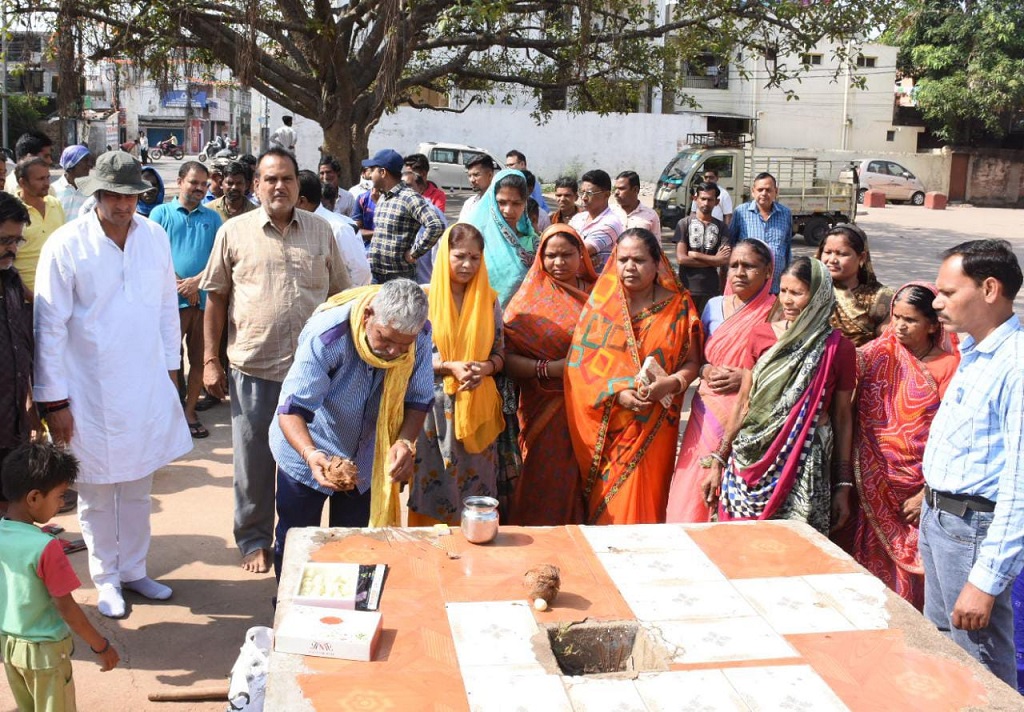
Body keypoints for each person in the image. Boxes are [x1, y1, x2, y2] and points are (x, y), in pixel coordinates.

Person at [34, 150, 192, 618]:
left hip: (144, 385)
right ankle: (105, 579)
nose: (124, 205)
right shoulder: (67, 244)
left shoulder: (155, 237)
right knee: (97, 489)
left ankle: (135, 570)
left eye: (131, 196)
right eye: (114, 195)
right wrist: (53, 401)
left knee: (139, 486)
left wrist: (170, 373)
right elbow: (49, 328)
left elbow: (167, 307)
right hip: (88, 391)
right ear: (97, 193)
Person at [199, 148, 351, 575]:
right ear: (256, 185)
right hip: (255, 368)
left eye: (286, 178)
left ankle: (301, 538)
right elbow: (216, 299)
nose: (279, 186)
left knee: (312, 457)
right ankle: (253, 539)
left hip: (316, 375)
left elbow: (341, 298)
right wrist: (210, 359)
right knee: (254, 462)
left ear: (298, 185)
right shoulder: (233, 233)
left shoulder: (322, 232)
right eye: (270, 179)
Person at [269, 280, 434, 576]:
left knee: (355, 544)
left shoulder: (419, 334)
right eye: (385, 339)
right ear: (368, 315)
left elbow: (419, 398)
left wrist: (405, 442)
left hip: (367, 456)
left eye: (403, 345)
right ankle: (287, 609)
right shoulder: (329, 336)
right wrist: (311, 454)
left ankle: (348, 614)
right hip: (309, 449)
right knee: (296, 542)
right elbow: (292, 409)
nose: (393, 352)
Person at [920, 239, 1023, 687]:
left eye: (947, 292)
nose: (936, 301)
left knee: (980, 668)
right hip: (940, 520)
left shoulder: (1015, 364)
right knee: (942, 651)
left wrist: (986, 579)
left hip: (974, 531)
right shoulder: (973, 351)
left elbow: (1019, 484)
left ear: (989, 289)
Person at [702, 257, 855, 535]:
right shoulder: (760, 335)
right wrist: (719, 459)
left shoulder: (837, 348)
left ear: (819, 294)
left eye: (797, 292)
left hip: (805, 460)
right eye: (783, 291)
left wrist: (843, 483)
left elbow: (843, 417)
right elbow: (744, 402)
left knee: (795, 545)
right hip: (751, 456)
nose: (787, 300)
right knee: (741, 541)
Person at [566, 228, 702, 525]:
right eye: (622, 259)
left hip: (656, 426)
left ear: (658, 264)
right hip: (612, 425)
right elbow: (580, 368)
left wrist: (673, 383)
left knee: (649, 499)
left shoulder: (678, 306)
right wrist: (619, 393)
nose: (629, 267)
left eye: (638, 260)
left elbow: (693, 361)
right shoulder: (601, 309)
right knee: (610, 508)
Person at [851, 283, 959, 610]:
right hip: (872, 481)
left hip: (914, 489)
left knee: (914, 584)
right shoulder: (876, 354)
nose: (899, 326)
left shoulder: (950, 367)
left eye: (910, 320)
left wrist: (926, 492)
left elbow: (955, 436)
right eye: (896, 317)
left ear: (933, 324)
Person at [0, 443, 121, 712]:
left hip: (10, 649)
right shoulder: (45, 547)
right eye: (60, 496)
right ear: (33, 498)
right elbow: (66, 607)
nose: (61, 504)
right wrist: (101, 646)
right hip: (46, 655)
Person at [666, 239, 775, 523]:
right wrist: (704, 371)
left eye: (749, 266)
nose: (739, 272)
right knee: (695, 478)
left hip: (748, 412)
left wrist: (745, 377)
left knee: (735, 481)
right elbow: (695, 357)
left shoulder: (776, 312)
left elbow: (782, 369)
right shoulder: (713, 306)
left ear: (767, 272)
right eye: (734, 266)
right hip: (707, 408)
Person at [408, 224, 506, 526]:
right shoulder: (422, 299)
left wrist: (484, 368)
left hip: (477, 407)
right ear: (444, 255)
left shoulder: (489, 300)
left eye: (475, 258)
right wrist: (448, 366)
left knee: (474, 490)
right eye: (460, 256)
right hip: (431, 412)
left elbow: (500, 354)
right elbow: (405, 356)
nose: (467, 265)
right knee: (431, 487)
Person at [503, 224, 598, 525]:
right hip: (544, 404)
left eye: (567, 255)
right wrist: (548, 369)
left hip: (593, 405)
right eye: (551, 256)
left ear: (581, 255)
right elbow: (505, 357)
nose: (559, 263)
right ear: (540, 258)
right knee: (545, 472)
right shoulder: (528, 301)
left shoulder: (602, 297)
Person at [149, 162, 222, 439]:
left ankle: (189, 412)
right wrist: (182, 285)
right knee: (169, 359)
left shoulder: (213, 218)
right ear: (180, 182)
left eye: (204, 184)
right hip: (169, 301)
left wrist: (196, 284)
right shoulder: (160, 213)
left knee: (198, 360)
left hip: (203, 302)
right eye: (194, 183)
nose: (199, 189)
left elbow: (218, 258)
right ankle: (168, 413)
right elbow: (155, 255)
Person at [0, 192, 35, 518]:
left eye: (17, 240)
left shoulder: (11, 281)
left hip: (12, 423)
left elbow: (19, 344)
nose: (12, 248)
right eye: (5, 240)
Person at [364, 149, 445, 284]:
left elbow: (436, 225)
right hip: (376, 275)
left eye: (373, 170)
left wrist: (414, 253)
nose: (369, 175)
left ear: (383, 172)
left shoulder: (409, 197)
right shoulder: (383, 197)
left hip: (399, 278)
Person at [815, 223, 894, 347]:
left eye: (842, 254)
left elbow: (889, 344)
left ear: (861, 257)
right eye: (827, 252)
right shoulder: (810, 290)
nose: (832, 260)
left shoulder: (881, 298)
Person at [468, 168, 537, 306]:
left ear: (525, 203)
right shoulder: (473, 237)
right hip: (481, 317)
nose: (508, 210)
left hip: (522, 322)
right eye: (502, 202)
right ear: (492, 201)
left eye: (516, 203)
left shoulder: (534, 242)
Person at [294, 169, 371, 286]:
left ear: (301, 201)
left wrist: (345, 299)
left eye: (289, 196)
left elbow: (361, 271)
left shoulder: (337, 228)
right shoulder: (297, 226)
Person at [673, 181, 731, 315]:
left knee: (707, 330)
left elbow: (724, 260)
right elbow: (681, 259)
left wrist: (696, 255)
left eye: (710, 200)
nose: (706, 203)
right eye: (703, 199)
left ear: (716, 202)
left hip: (711, 289)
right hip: (686, 288)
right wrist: (714, 260)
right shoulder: (683, 224)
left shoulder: (722, 227)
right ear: (695, 199)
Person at [729, 172, 792, 294]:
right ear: (753, 192)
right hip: (748, 286)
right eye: (760, 189)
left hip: (775, 287)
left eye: (768, 190)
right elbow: (731, 245)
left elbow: (787, 247)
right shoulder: (741, 212)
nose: (764, 193)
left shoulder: (785, 213)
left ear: (776, 191)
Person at [13, 158, 65, 297]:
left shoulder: (55, 204)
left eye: (48, 177)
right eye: (41, 179)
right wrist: (29, 296)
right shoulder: (11, 212)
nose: (47, 183)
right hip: (24, 301)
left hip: (57, 295)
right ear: (22, 182)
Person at [569, 169, 623, 273]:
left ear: (606, 195)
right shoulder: (578, 218)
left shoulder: (610, 223)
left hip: (599, 285)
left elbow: (577, 251)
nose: (584, 198)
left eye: (589, 193)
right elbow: (565, 245)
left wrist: (585, 254)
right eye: (582, 192)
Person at [52, 145, 94, 220]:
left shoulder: (92, 192)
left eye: (89, 161)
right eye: (85, 160)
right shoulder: (53, 190)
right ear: (71, 163)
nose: (90, 165)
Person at [505, 150, 548, 214]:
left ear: (522, 164)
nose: (508, 169)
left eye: (511, 165)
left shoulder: (531, 182)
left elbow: (538, 206)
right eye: (507, 166)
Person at [457, 153, 496, 223]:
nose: (472, 180)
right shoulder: (470, 203)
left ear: (490, 175)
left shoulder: (499, 202)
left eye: (476, 175)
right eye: (469, 176)